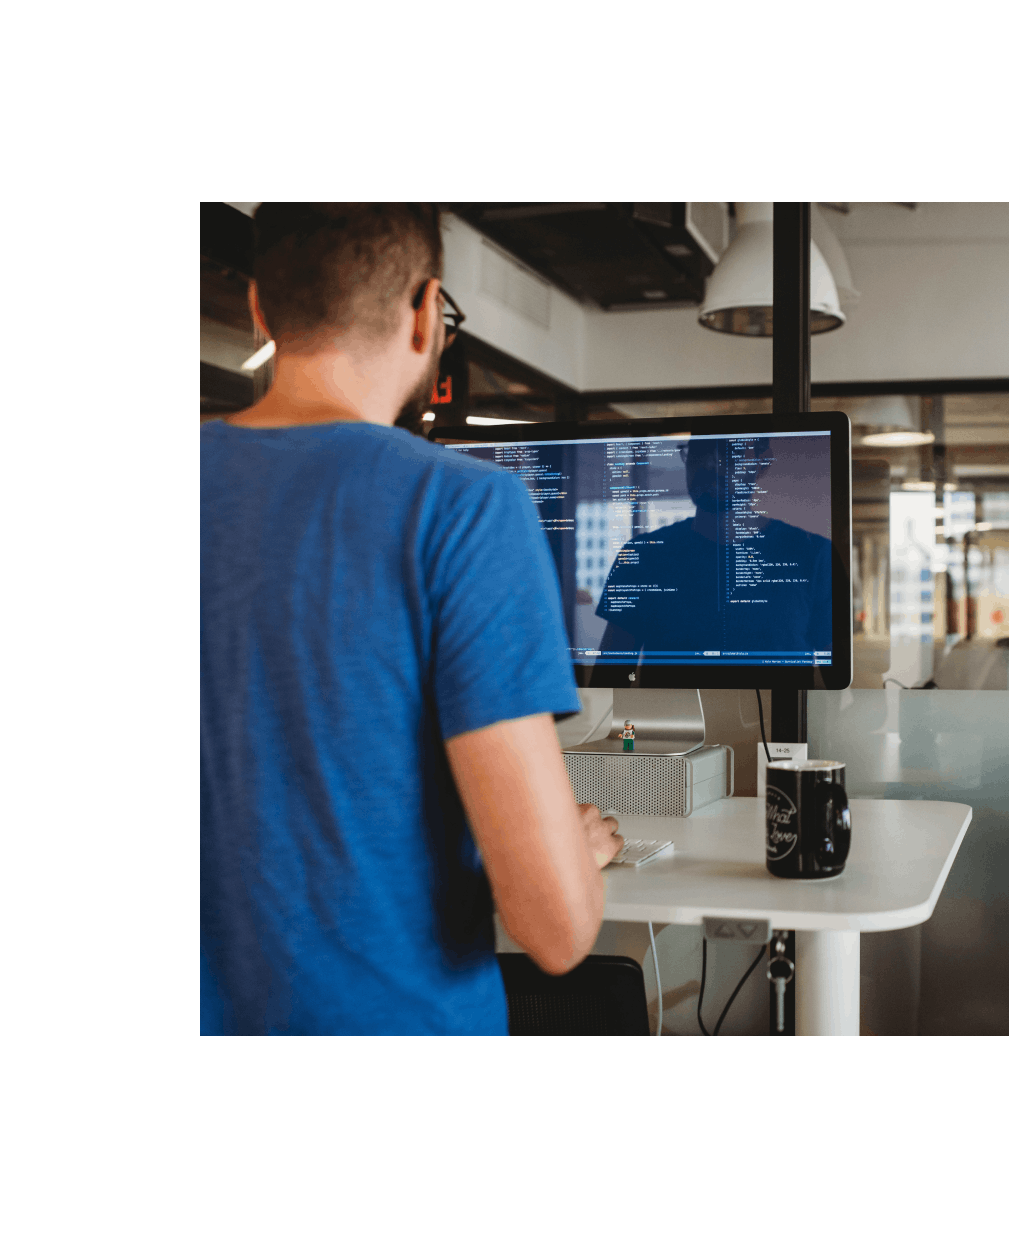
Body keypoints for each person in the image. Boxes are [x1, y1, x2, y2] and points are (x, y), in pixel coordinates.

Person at [200, 203, 623, 1036]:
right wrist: (576, 855)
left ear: (259, 307)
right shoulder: (462, 506)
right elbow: (556, 931)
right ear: (428, 313)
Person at [598, 438, 833, 658]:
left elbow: (834, 683)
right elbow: (611, 675)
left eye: (730, 451)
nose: (710, 463)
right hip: (675, 705)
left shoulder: (813, 555)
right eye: (699, 450)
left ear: (762, 463)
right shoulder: (643, 556)